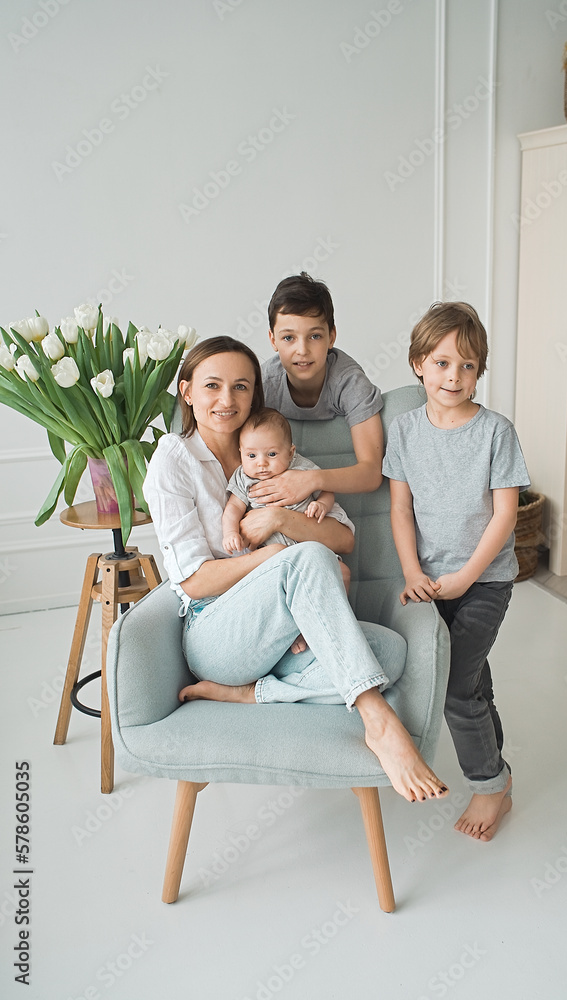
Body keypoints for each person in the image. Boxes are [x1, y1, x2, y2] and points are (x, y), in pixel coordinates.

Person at [143, 335, 448, 804]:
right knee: (305, 558)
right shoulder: (173, 459)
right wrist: (275, 558)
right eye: (212, 386)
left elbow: (344, 539)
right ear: (187, 392)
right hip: (218, 634)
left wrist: (283, 520)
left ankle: (252, 693)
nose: (227, 400)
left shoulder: (278, 457)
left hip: (281, 636)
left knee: (389, 653)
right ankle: (378, 721)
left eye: (241, 386)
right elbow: (193, 581)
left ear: (255, 395)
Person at [382, 303, 529, 837]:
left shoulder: (496, 431)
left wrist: (466, 577)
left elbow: (506, 514)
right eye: (442, 363)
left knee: (454, 689)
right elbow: (401, 509)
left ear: (479, 371)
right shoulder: (403, 430)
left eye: (467, 366)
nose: (454, 376)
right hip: (429, 582)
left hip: (485, 581)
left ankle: (490, 787)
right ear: (419, 364)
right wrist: (411, 572)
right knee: (472, 679)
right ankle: (499, 770)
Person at [253, 272, 384, 509]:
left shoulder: (350, 382)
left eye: (314, 336)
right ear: (273, 340)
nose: (302, 350)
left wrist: (311, 480)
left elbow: (372, 473)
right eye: (288, 338)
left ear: (331, 337)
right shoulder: (264, 385)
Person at [221, 407, 353, 552]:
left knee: (338, 565)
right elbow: (233, 507)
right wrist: (230, 533)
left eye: (272, 454)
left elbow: (326, 491)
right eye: (252, 456)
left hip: (309, 544)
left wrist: (322, 504)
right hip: (273, 553)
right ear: (241, 453)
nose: (261, 463)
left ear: (290, 453)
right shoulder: (243, 477)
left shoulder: (301, 468)